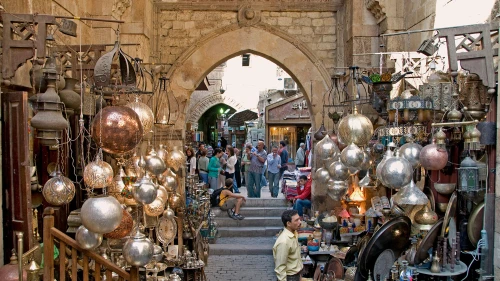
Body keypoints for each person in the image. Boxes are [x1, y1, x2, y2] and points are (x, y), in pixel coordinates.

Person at [273, 210, 303, 281]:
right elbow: (280, 268)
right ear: (288, 223)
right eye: (296, 220)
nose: (300, 222)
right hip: (290, 278)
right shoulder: (283, 242)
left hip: (296, 275)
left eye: (299, 219)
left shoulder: (294, 233)